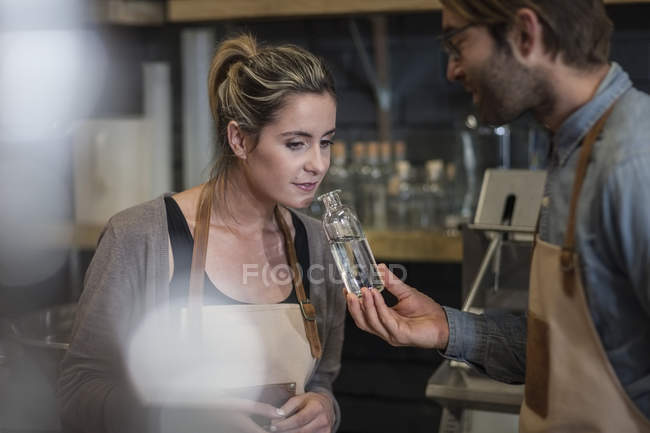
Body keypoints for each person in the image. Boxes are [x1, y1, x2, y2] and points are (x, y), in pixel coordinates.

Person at [346, 1, 650, 431]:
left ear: (525, 35)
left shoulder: (634, 163)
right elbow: (569, 352)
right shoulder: (572, 153)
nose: (452, 69)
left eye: (458, 43)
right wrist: (447, 329)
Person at [58, 34, 345, 433]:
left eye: (326, 143)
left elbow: (321, 381)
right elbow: (76, 393)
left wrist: (325, 409)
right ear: (239, 140)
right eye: (296, 143)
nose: (318, 164)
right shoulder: (140, 237)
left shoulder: (317, 244)